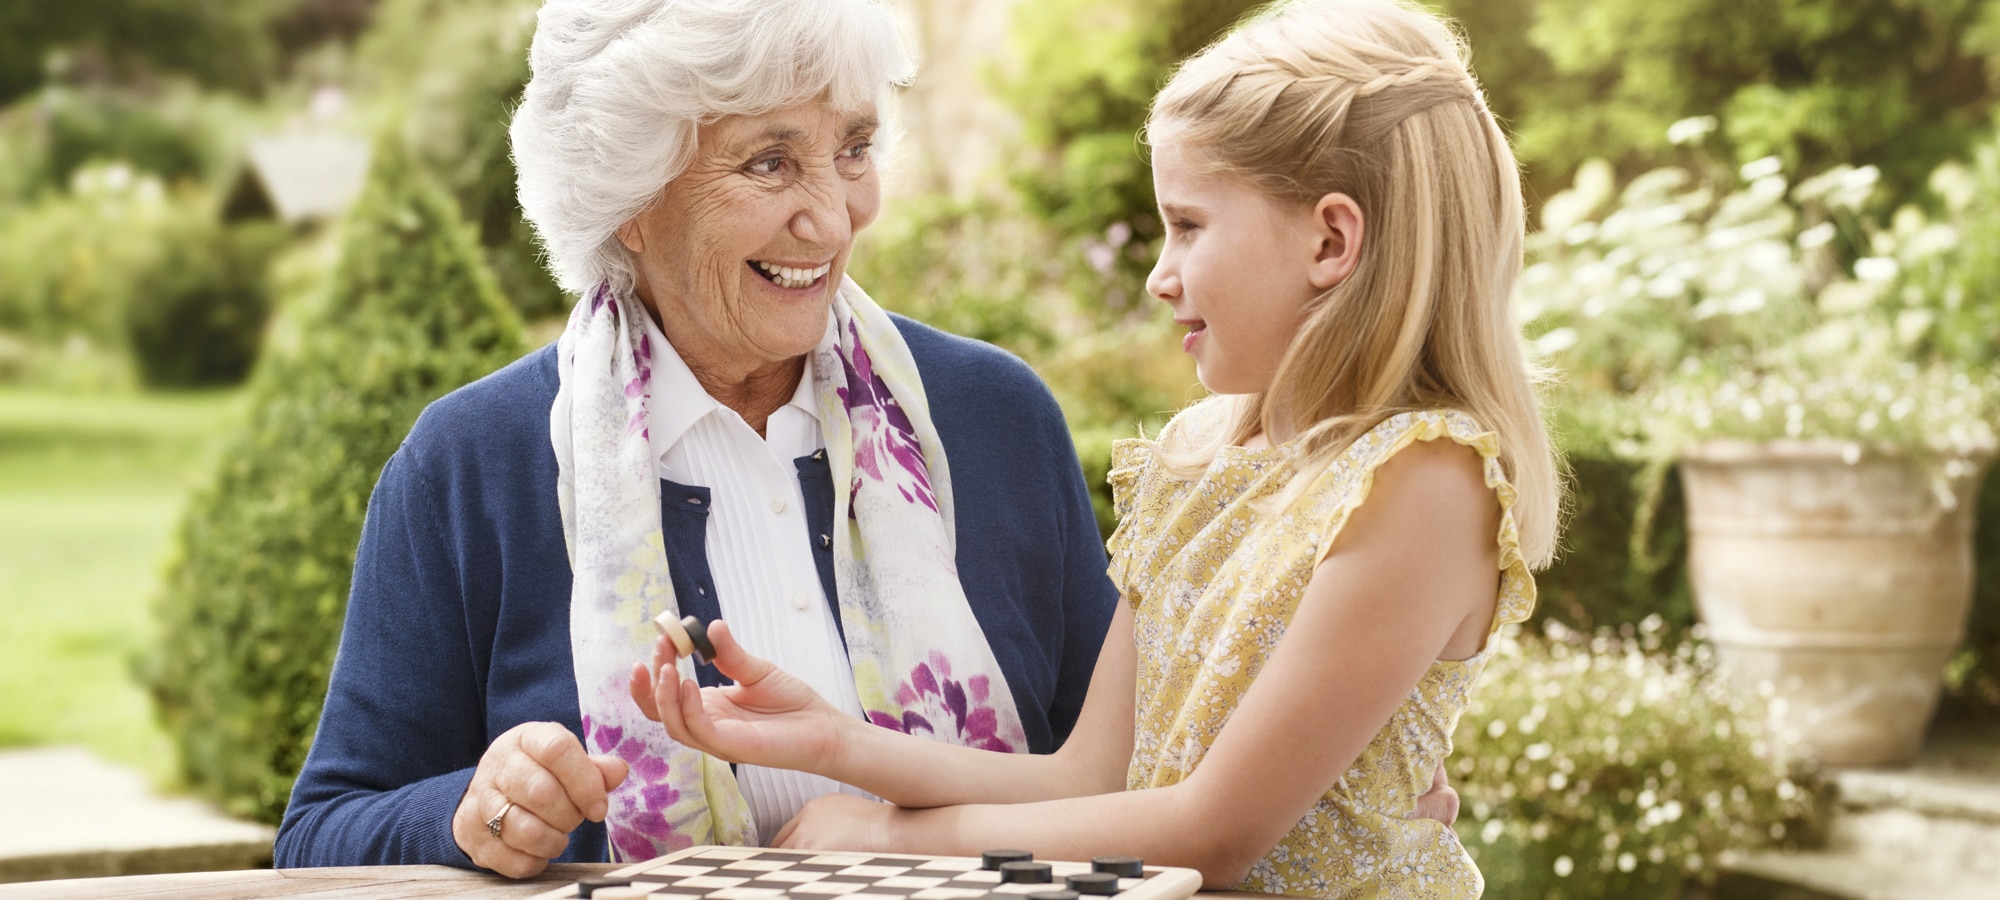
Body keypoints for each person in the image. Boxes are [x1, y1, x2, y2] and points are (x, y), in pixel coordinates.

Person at [632, 0, 1562, 897]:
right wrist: (837, 744)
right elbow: (1088, 778)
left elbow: (1214, 832)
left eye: (1188, 226)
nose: (1160, 276)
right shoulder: (1198, 457)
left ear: (1330, 240)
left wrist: (888, 839)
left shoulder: (1422, 482)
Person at [272, 0, 1122, 877]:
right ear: (629, 199)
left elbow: (1141, 779)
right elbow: (320, 837)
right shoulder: (471, 464)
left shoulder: (995, 418)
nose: (834, 221)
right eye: (770, 162)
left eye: (853, 149)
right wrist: (471, 815)